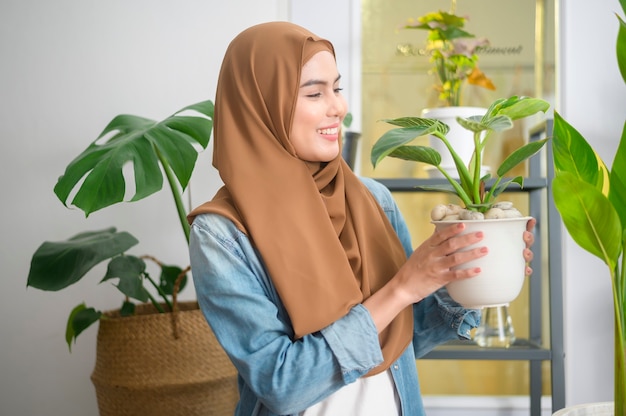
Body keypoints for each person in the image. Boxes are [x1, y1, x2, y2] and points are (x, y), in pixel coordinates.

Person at [187, 21, 535, 416]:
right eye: (315, 93)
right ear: (261, 105)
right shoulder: (221, 235)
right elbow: (282, 384)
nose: (338, 106)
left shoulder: (372, 200)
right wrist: (403, 287)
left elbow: (404, 337)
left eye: (336, 88)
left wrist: (462, 272)